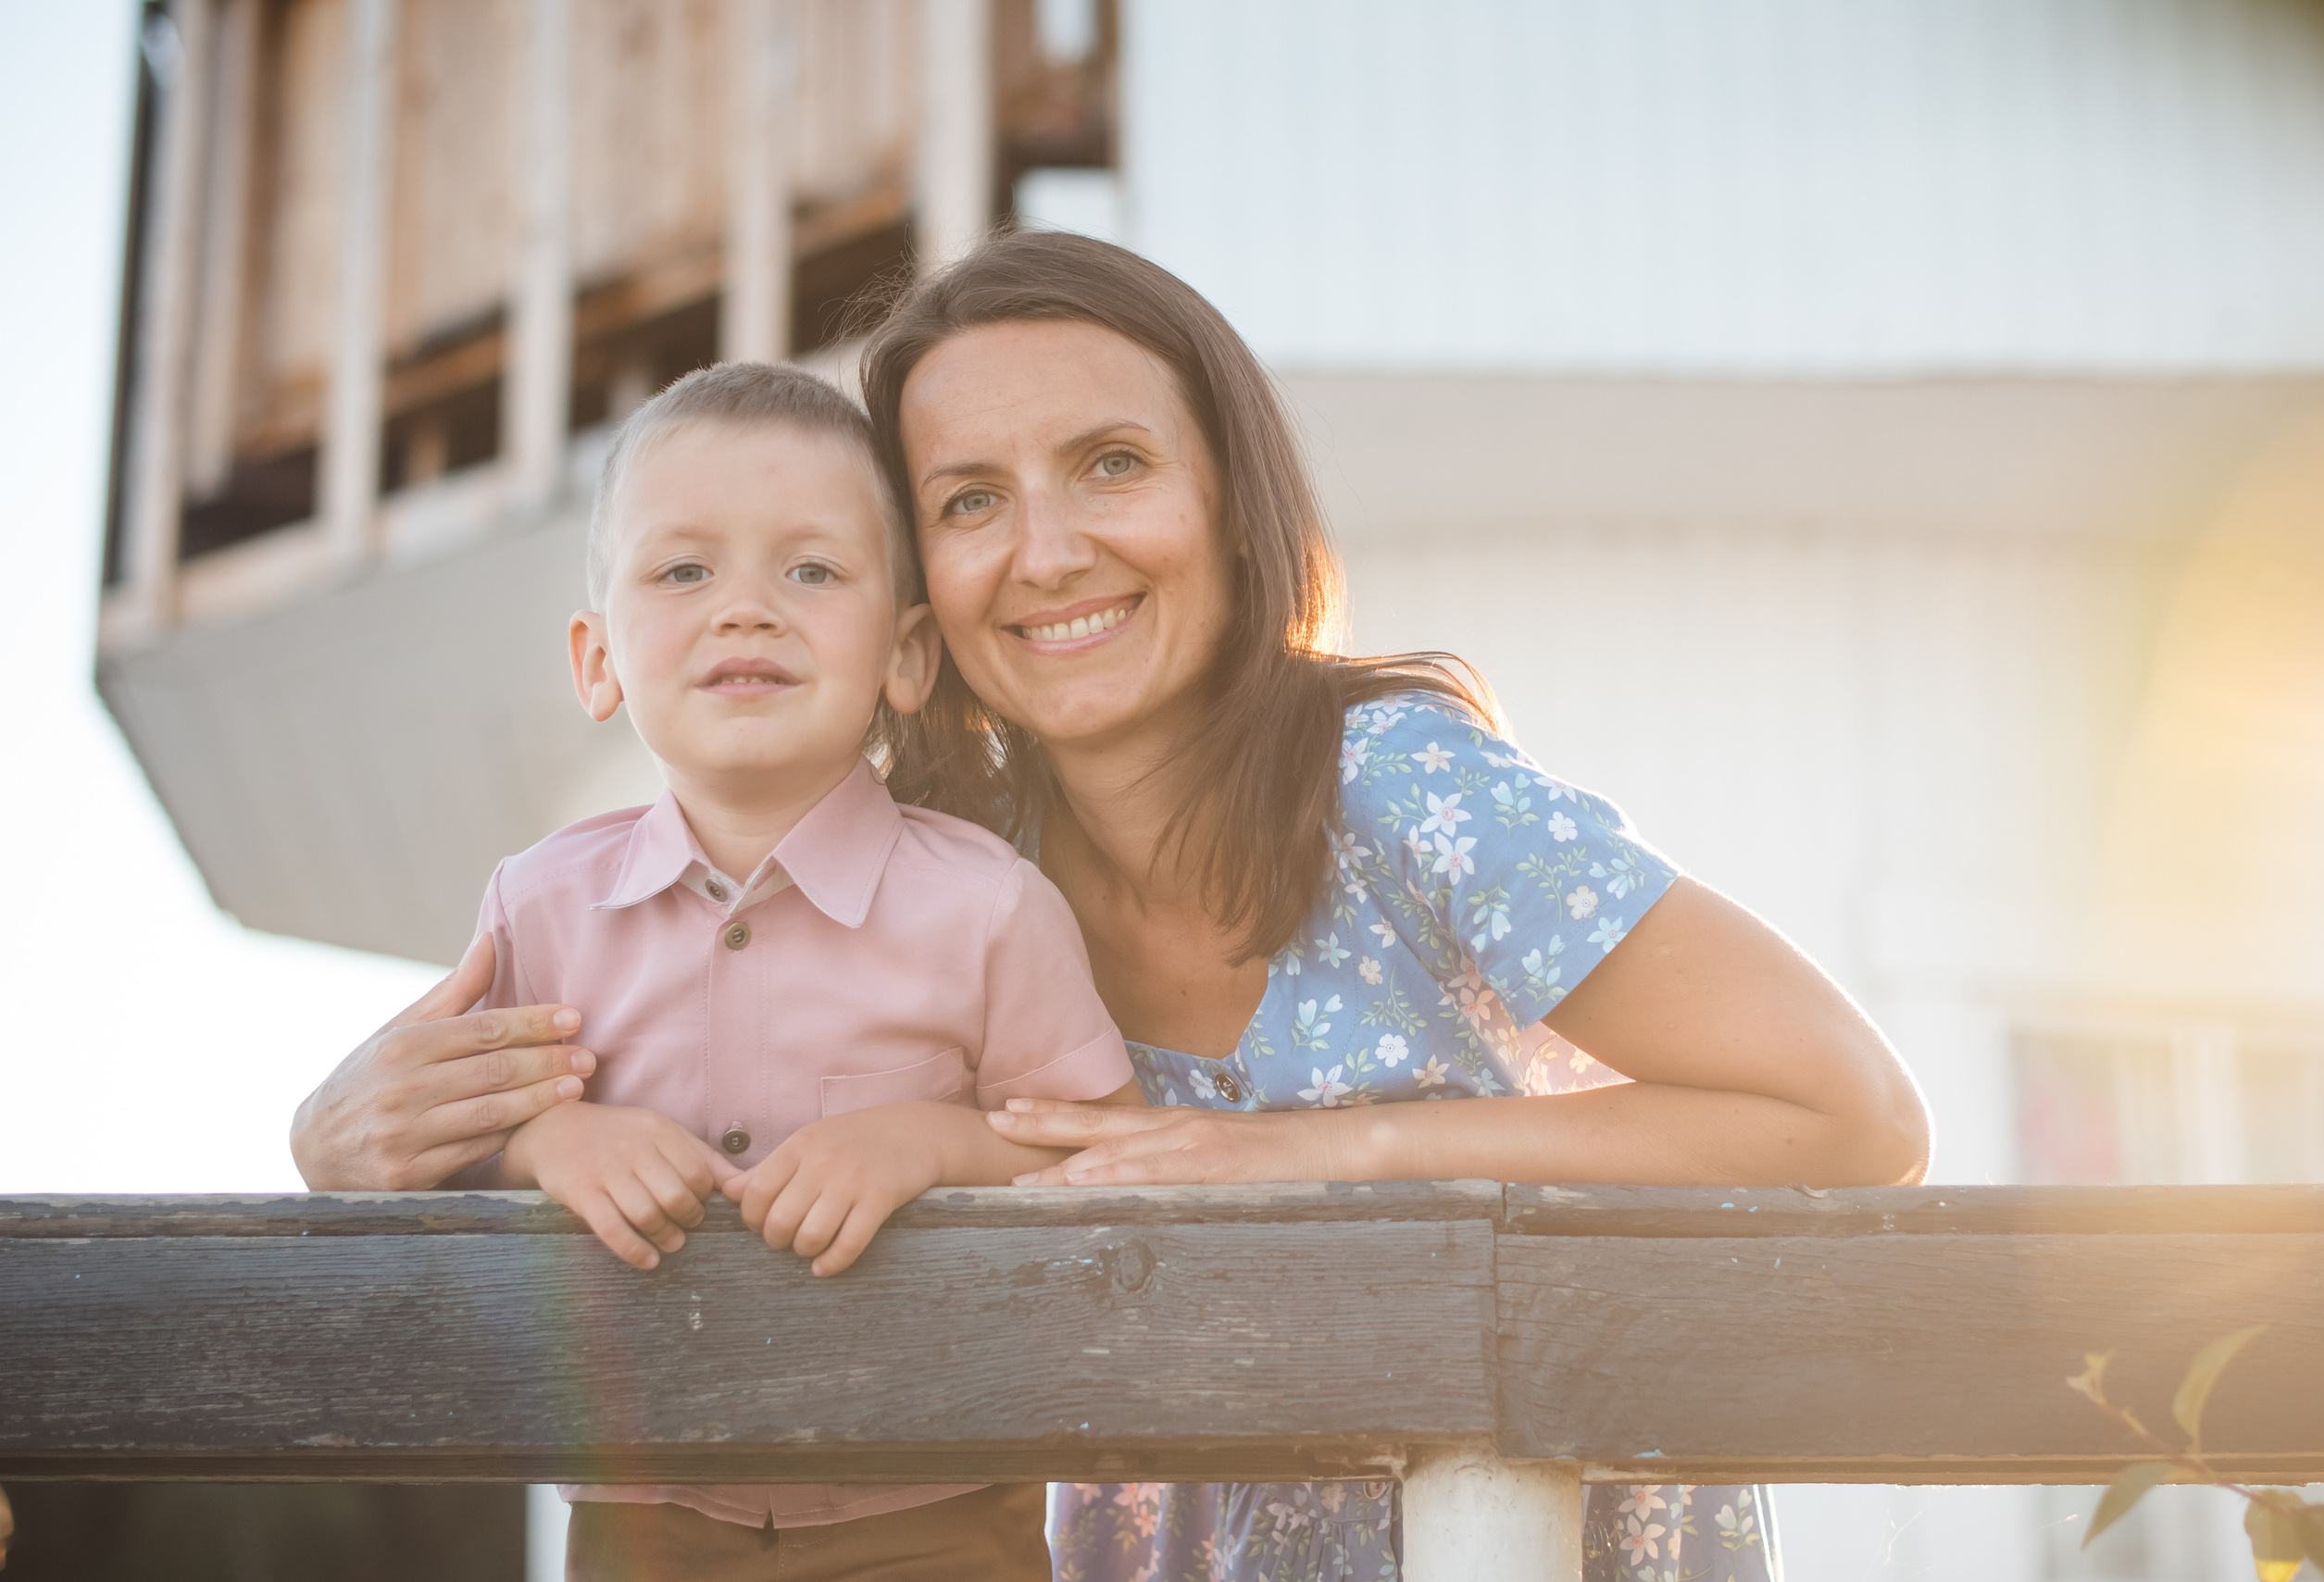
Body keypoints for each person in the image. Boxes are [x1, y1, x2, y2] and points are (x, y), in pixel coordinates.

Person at [292, 233, 1930, 1582]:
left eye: (1112, 465)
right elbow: (672, 1099)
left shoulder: (1400, 791)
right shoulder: (947, 870)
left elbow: (1851, 1112)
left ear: (1229, 494)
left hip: (1508, 1529)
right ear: (915, 599)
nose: (1050, 548)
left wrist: (1313, 1154)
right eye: (969, 499)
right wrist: (349, 1129)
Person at [449, 360, 1141, 1581]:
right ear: (598, 658)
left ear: (907, 654)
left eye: (812, 571)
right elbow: (443, 1154)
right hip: (644, 1522)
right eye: (683, 571)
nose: (746, 609)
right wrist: (551, 1143)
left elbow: (1106, 1160)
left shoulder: (989, 908)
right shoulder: (537, 909)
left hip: (943, 1511)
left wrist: (927, 1143)